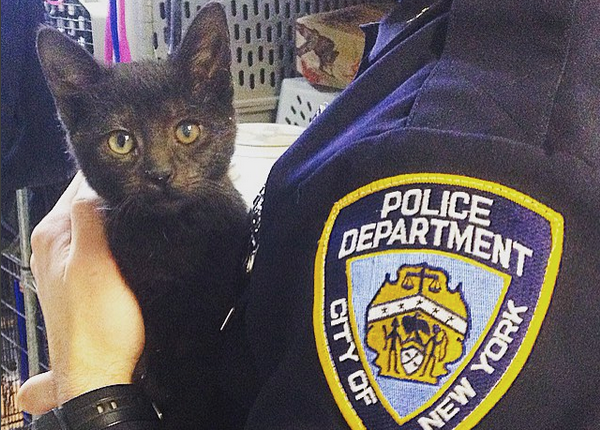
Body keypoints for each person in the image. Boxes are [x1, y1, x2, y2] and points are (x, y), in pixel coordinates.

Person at [17, 0, 600, 429]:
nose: (163, 166)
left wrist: (96, 391)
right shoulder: (429, 27)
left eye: (185, 131)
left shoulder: (471, 142)